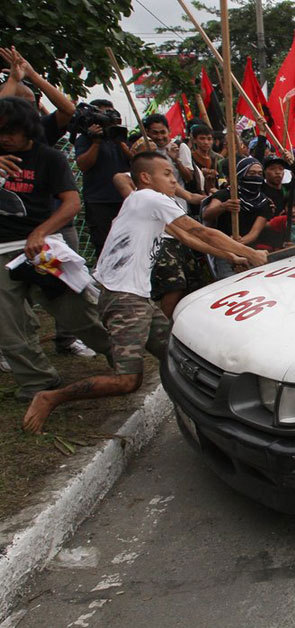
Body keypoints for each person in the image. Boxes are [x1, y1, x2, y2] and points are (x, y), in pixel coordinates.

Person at [21, 152, 267, 433]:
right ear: (146, 178)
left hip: (135, 296)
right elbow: (201, 231)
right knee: (128, 381)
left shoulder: (145, 205)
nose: (173, 178)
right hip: (125, 299)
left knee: (176, 355)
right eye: (166, 173)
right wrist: (250, 252)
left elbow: (187, 237)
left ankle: (206, 413)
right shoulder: (149, 198)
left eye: (173, 173)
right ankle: (50, 398)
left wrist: (230, 256)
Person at [0, 97, 111, 402]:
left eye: (12, 131)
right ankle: (37, 381)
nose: (5, 138)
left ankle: (120, 356)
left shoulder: (49, 158)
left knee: (78, 313)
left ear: (28, 129)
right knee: (8, 325)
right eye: (0, 131)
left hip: (42, 249)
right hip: (1, 252)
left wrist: (41, 231)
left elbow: (71, 203)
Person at [74, 99, 132, 254]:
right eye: (104, 113)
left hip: (125, 199)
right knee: (105, 247)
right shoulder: (85, 139)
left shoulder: (120, 137)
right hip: (99, 202)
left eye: (110, 113)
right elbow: (83, 165)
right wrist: (96, 142)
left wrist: (120, 141)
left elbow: (135, 162)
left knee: (129, 245)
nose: (108, 117)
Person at [203, 157, 274, 276]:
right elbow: (207, 215)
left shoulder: (264, 202)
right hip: (225, 251)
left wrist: (239, 243)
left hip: (250, 251)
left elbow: (254, 233)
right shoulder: (225, 194)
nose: (256, 177)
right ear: (241, 174)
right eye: (251, 173)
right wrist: (224, 206)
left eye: (259, 174)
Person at [189, 123, 221, 195]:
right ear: (194, 140)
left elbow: (222, 180)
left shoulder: (216, 160)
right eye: (202, 138)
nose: (206, 142)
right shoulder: (191, 158)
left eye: (209, 139)